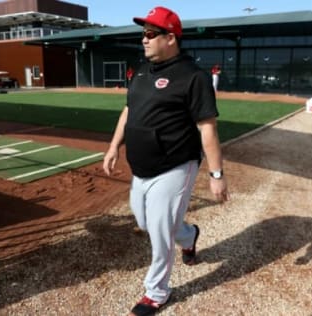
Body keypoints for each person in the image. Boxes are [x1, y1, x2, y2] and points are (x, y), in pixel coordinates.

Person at [102, 6, 229, 315]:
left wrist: (216, 174)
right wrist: (113, 146)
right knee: (146, 221)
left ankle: (157, 292)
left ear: (170, 38)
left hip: (176, 164)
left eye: (150, 34)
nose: (143, 40)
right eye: (143, 34)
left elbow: (207, 128)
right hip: (142, 168)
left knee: (159, 230)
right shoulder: (142, 71)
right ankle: (189, 235)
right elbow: (129, 110)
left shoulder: (193, 77)